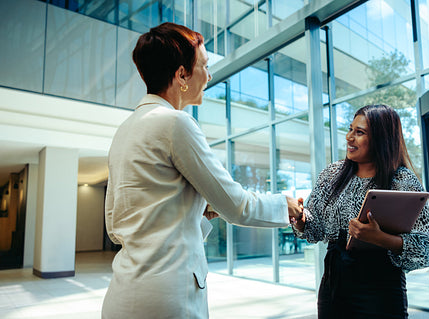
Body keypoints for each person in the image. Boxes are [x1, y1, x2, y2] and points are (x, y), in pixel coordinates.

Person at [101, 22, 303, 319]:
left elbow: (119, 222)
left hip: (124, 292)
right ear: (182, 74)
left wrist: (194, 208)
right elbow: (238, 206)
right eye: (204, 66)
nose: (208, 76)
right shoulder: (175, 124)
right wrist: (284, 205)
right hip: (167, 297)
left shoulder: (127, 129)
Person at [292, 104, 429, 319]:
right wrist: (301, 218)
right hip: (334, 285)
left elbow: (427, 250)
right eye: (351, 129)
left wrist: (382, 239)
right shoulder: (331, 174)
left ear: (382, 139)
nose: (349, 137)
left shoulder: (403, 181)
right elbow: (315, 229)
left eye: (359, 132)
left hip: (381, 289)